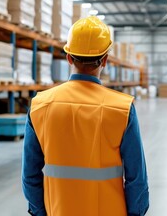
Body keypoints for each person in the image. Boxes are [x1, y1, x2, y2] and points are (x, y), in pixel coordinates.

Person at [22, 16, 149, 216]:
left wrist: (40, 212)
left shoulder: (40, 106)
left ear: (69, 58)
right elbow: (137, 179)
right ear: (105, 60)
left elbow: (30, 175)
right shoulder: (122, 109)